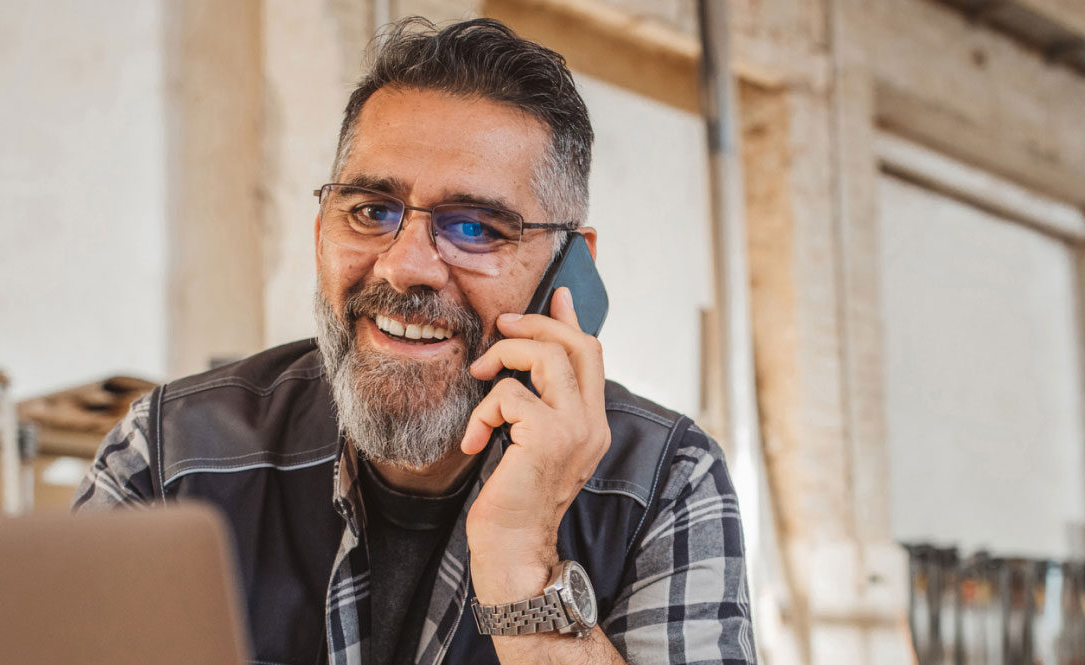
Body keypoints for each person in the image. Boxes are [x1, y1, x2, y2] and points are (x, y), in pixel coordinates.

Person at [74, 17, 755, 665]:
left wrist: (522, 571)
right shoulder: (171, 456)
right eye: (371, 211)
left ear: (569, 273)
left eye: (475, 227)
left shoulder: (664, 483)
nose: (404, 266)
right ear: (320, 235)